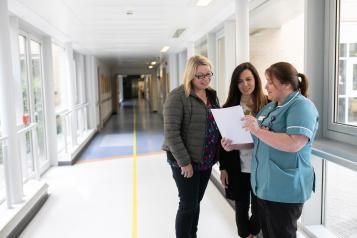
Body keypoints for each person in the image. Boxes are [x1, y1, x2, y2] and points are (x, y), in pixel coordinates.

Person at [222, 62, 319, 238]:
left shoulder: (302, 106)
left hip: (284, 189)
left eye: (270, 82)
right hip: (265, 187)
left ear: (286, 84)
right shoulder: (270, 107)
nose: (265, 86)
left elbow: (294, 143)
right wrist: (234, 145)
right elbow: (256, 139)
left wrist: (258, 130)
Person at [162, 55, 220, 238]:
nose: (205, 79)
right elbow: (171, 133)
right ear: (190, 75)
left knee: (196, 202)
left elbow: (215, 123)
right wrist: (184, 162)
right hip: (185, 160)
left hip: (206, 159)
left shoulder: (211, 94)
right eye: (199, 76)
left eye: (208, 74)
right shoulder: (178, 96)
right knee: (187, 205)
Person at [219, 62, 267, 238]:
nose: (245, 84)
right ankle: (245, 235)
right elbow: (222, 141)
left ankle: (253, 232)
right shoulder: (229, 107)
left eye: (249, 79)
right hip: (237, 166)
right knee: (240, 206)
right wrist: (223, 167)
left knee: (259, 208)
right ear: (235, 84)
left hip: (260, 166)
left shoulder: (268, 104)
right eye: (240, 81)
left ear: (256, 80)